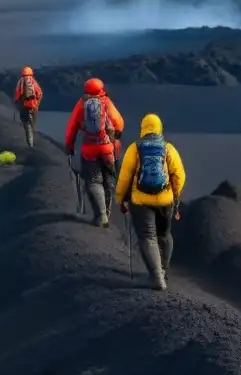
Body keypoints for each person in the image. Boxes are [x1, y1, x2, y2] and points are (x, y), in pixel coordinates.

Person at [115, 113, 185, 291]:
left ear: (143, 128)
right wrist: (175, 195)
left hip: (141, 201)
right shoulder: (168, 148)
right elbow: (179, 175)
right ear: (159, 128)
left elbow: (124, 177)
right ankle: (164, 271)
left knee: (148, 237)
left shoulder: (135, 148)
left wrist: (120, 198)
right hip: (165, 200)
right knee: (164, 235)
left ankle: (156, 277)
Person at [64, 77, 124, 228]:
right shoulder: (106, 102)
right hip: (107, 148)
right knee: (108, 181)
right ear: (101, 89)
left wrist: (69, 145)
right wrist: (115, 138)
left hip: (89, 149)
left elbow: (72, 127)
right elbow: (119, 123)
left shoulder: (82, 104)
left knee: (94, 181)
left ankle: (101, 215)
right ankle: (107, 212)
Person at [13, 66, 43, 148]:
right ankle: (34, 143)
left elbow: (17, 96)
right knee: (32, 124)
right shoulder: (33, 81)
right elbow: (40, 93)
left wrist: (18, 105)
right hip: (33, 107)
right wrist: (36, 104)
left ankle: (30, 145)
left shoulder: (21, 82)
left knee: (27, 125)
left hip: (24, 107)